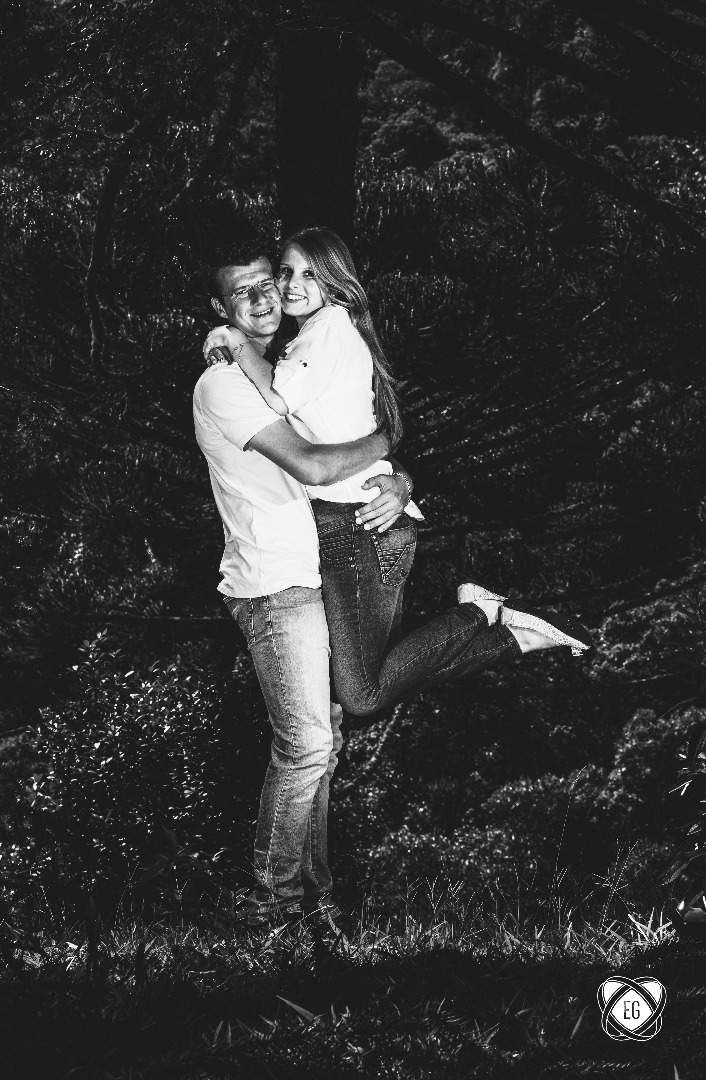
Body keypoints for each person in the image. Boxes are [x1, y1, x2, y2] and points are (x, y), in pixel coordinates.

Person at [204, 226, 592, 723]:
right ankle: (508, 630)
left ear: (336, 281)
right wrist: (394, 462)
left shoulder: (327, 327)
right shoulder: (309, 340)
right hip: (350, 523)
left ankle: (483, 614)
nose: (289, 285)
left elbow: (289, 417)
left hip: (357, 522)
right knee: (360, 685)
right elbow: (354, 429)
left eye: (310, 274)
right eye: (286, 272)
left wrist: (234, 342)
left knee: (360, 693)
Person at [193, 238, 412, 936]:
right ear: (221, 309)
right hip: (273, 583)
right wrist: (385, 444)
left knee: (328, 740)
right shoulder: (226, 383)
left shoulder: (293, 364)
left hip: (314, 573)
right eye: (244, 291)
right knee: (308, 745)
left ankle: (316, 901)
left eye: (269, 282)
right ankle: (275, 908)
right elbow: (317, 467)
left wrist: (399, 477)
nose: (263, 298)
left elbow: (341, 445)